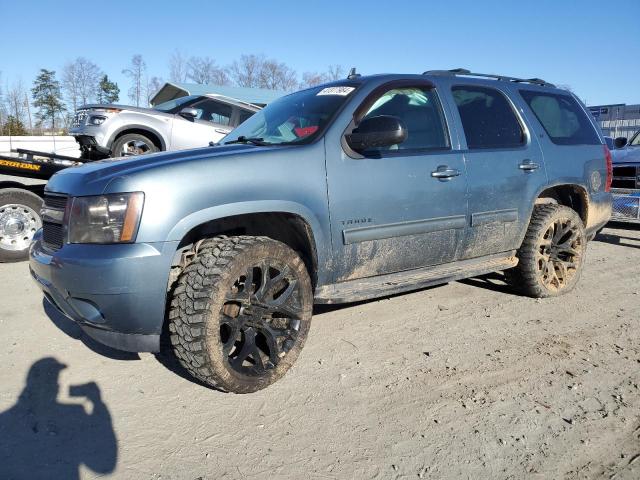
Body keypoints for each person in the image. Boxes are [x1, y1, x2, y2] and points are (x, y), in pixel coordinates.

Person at [0, 357, 117, 479]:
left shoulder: (4, 420)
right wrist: (97, 403)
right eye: (52, 381)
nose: (57, 385)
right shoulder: (76, 411)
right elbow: (105, 466)